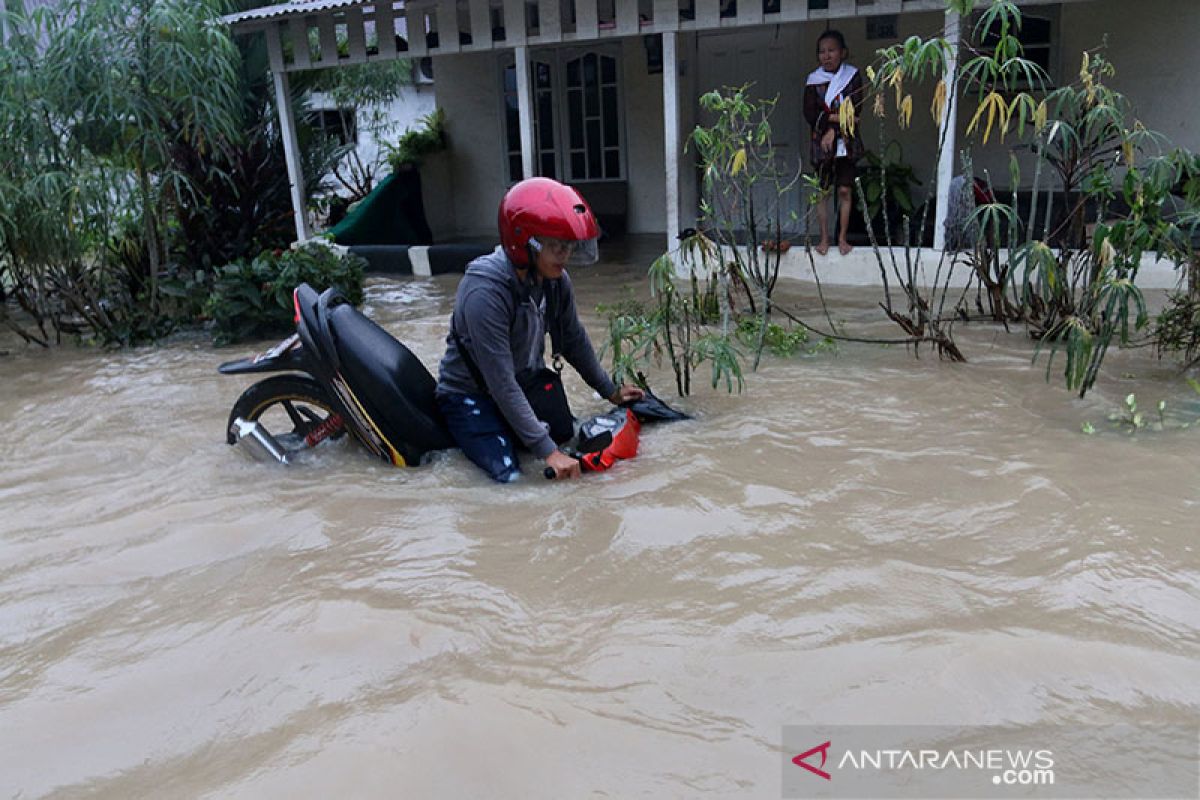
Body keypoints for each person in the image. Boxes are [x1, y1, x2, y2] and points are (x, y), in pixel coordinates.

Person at [435, 177, 644, 483]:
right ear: (524, 242)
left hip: (523, 384)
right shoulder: (485, 292)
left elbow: (573, 339)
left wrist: (609, 390)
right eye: (556, 246)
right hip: (470, 397)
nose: (565, 255)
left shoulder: (555, 280)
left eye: (568, 246)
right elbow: (500, 381)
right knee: (512, 480)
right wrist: (547, 452)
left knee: (573, 440)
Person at [804, 29, 865, 257]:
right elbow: (810, 113)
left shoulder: (853, 77)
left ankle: (842, 238)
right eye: (822, 52)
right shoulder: (813, 81)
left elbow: (856, 111)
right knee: (822, 192)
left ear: (843, 52)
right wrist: (834, 123)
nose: (826, 56)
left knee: (844, 190)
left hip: (846, 142)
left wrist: (835, 130)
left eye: (831, 51)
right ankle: (824, 238)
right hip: (822, 144)